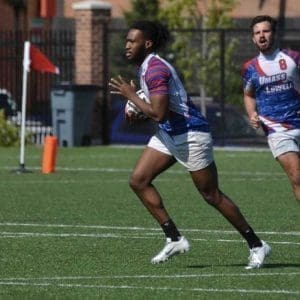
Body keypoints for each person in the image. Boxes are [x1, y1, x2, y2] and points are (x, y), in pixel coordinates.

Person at [109, 20, 271, 269]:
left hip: (191, 135)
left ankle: (257, 245)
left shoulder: (154, 70)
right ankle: (174, 238)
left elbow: (158, 113)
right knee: (138, 180)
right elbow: (156, 111)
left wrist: (132, 98)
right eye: (127, 40)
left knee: (211, 195)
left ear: (147, 43)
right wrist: (137, 108)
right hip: (169, 134)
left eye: (133, 41)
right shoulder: (146, 67)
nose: (127, 45)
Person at [242, 15, 300, 203]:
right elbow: (249, 95)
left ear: (274, 33)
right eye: (257, 33)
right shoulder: (250, 68)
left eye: (265, 31)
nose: (261, 36)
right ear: (253, 38)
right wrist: (252, 114)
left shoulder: (293, 58)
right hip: (277, 129)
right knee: (297, 177)